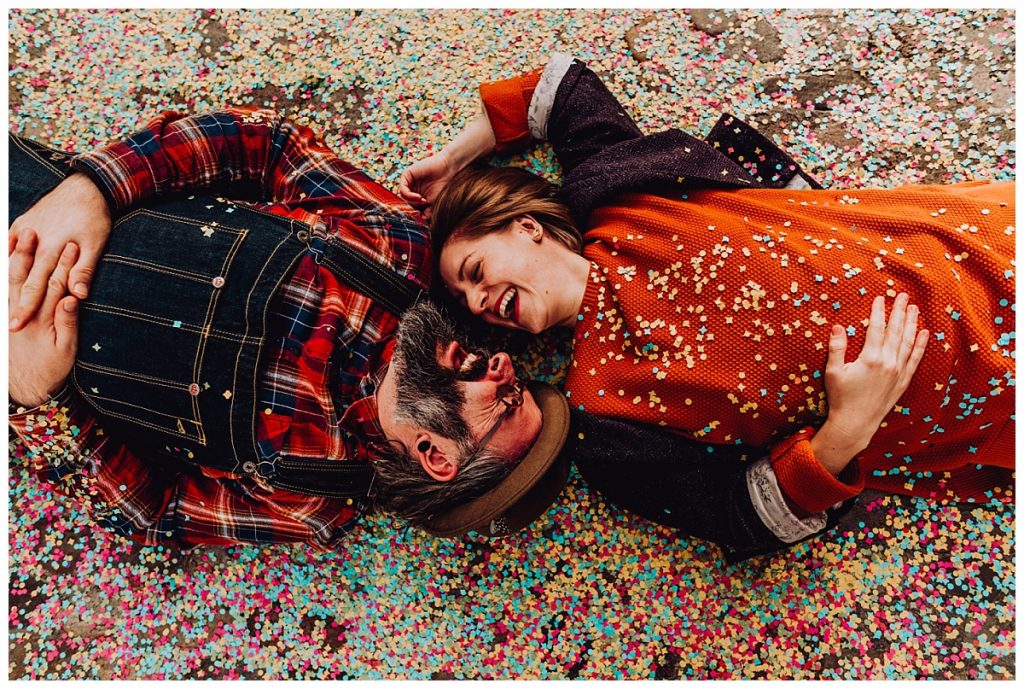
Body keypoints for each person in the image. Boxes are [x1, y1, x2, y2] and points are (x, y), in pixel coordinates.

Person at [5, 108, 924, 561]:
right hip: (38, 202)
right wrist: (94, 188)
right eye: (512, 374)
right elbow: (267, 146)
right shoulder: (402, 256)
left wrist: (39, 397)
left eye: (504, 396)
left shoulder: (308, 494)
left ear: (440, 457)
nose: (498, 360)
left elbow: (158, 505)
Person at [400, 54, 1016, 515]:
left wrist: (454, 163)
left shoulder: (618, 194)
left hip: (975, 244)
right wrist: (847, 430)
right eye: (470, 304)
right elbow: (740, 512)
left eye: (475, 273)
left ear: (526, 227)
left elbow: (556, 89)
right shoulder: (601, 417)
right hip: (982, 400)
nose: (480, 301)